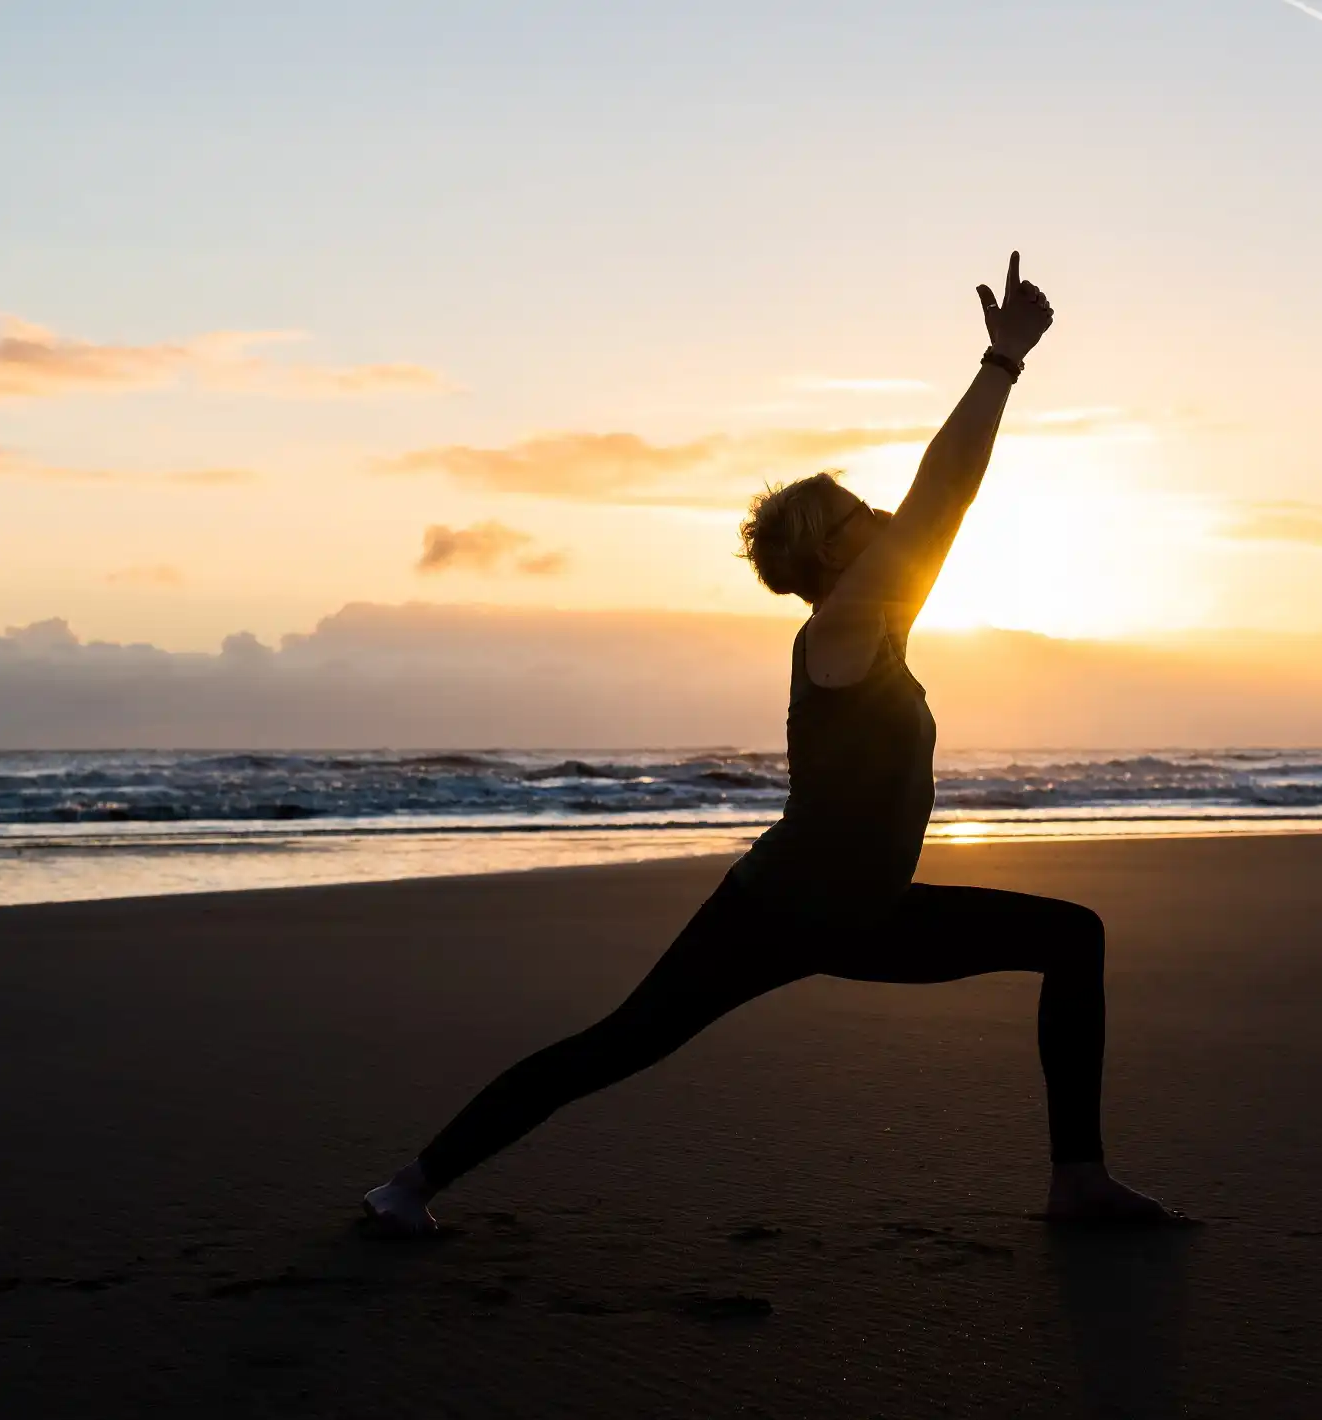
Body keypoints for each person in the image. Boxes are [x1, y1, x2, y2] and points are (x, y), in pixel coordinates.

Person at [364, 253, 1180, 1234]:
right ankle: (408, 1186)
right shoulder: (837, 630)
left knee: (1070, 937)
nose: (880, 512)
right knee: (619, 1043)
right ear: (833, 550)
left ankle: (1078, 1181)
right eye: (855, 511)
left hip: (866, 911)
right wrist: (1000, 364)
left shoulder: (881, 625)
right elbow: (942, 500)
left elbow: (934, 520)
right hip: (780, 908)